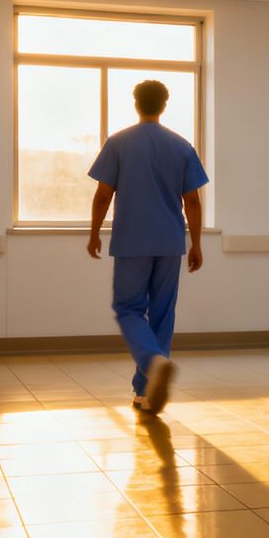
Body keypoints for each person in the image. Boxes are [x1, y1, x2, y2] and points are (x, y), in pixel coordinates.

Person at [87, 80, 208, 416]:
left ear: (135, 103)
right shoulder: (182, 147)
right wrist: (196, 243)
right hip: (170, 242)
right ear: (164, 104)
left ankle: (152, 363)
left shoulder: (119, 143)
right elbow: (193, 203)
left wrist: (95, 232)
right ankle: (145, 392)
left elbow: (102, 194)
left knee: (128, 308)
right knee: (163, 313)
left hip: (131, 241)